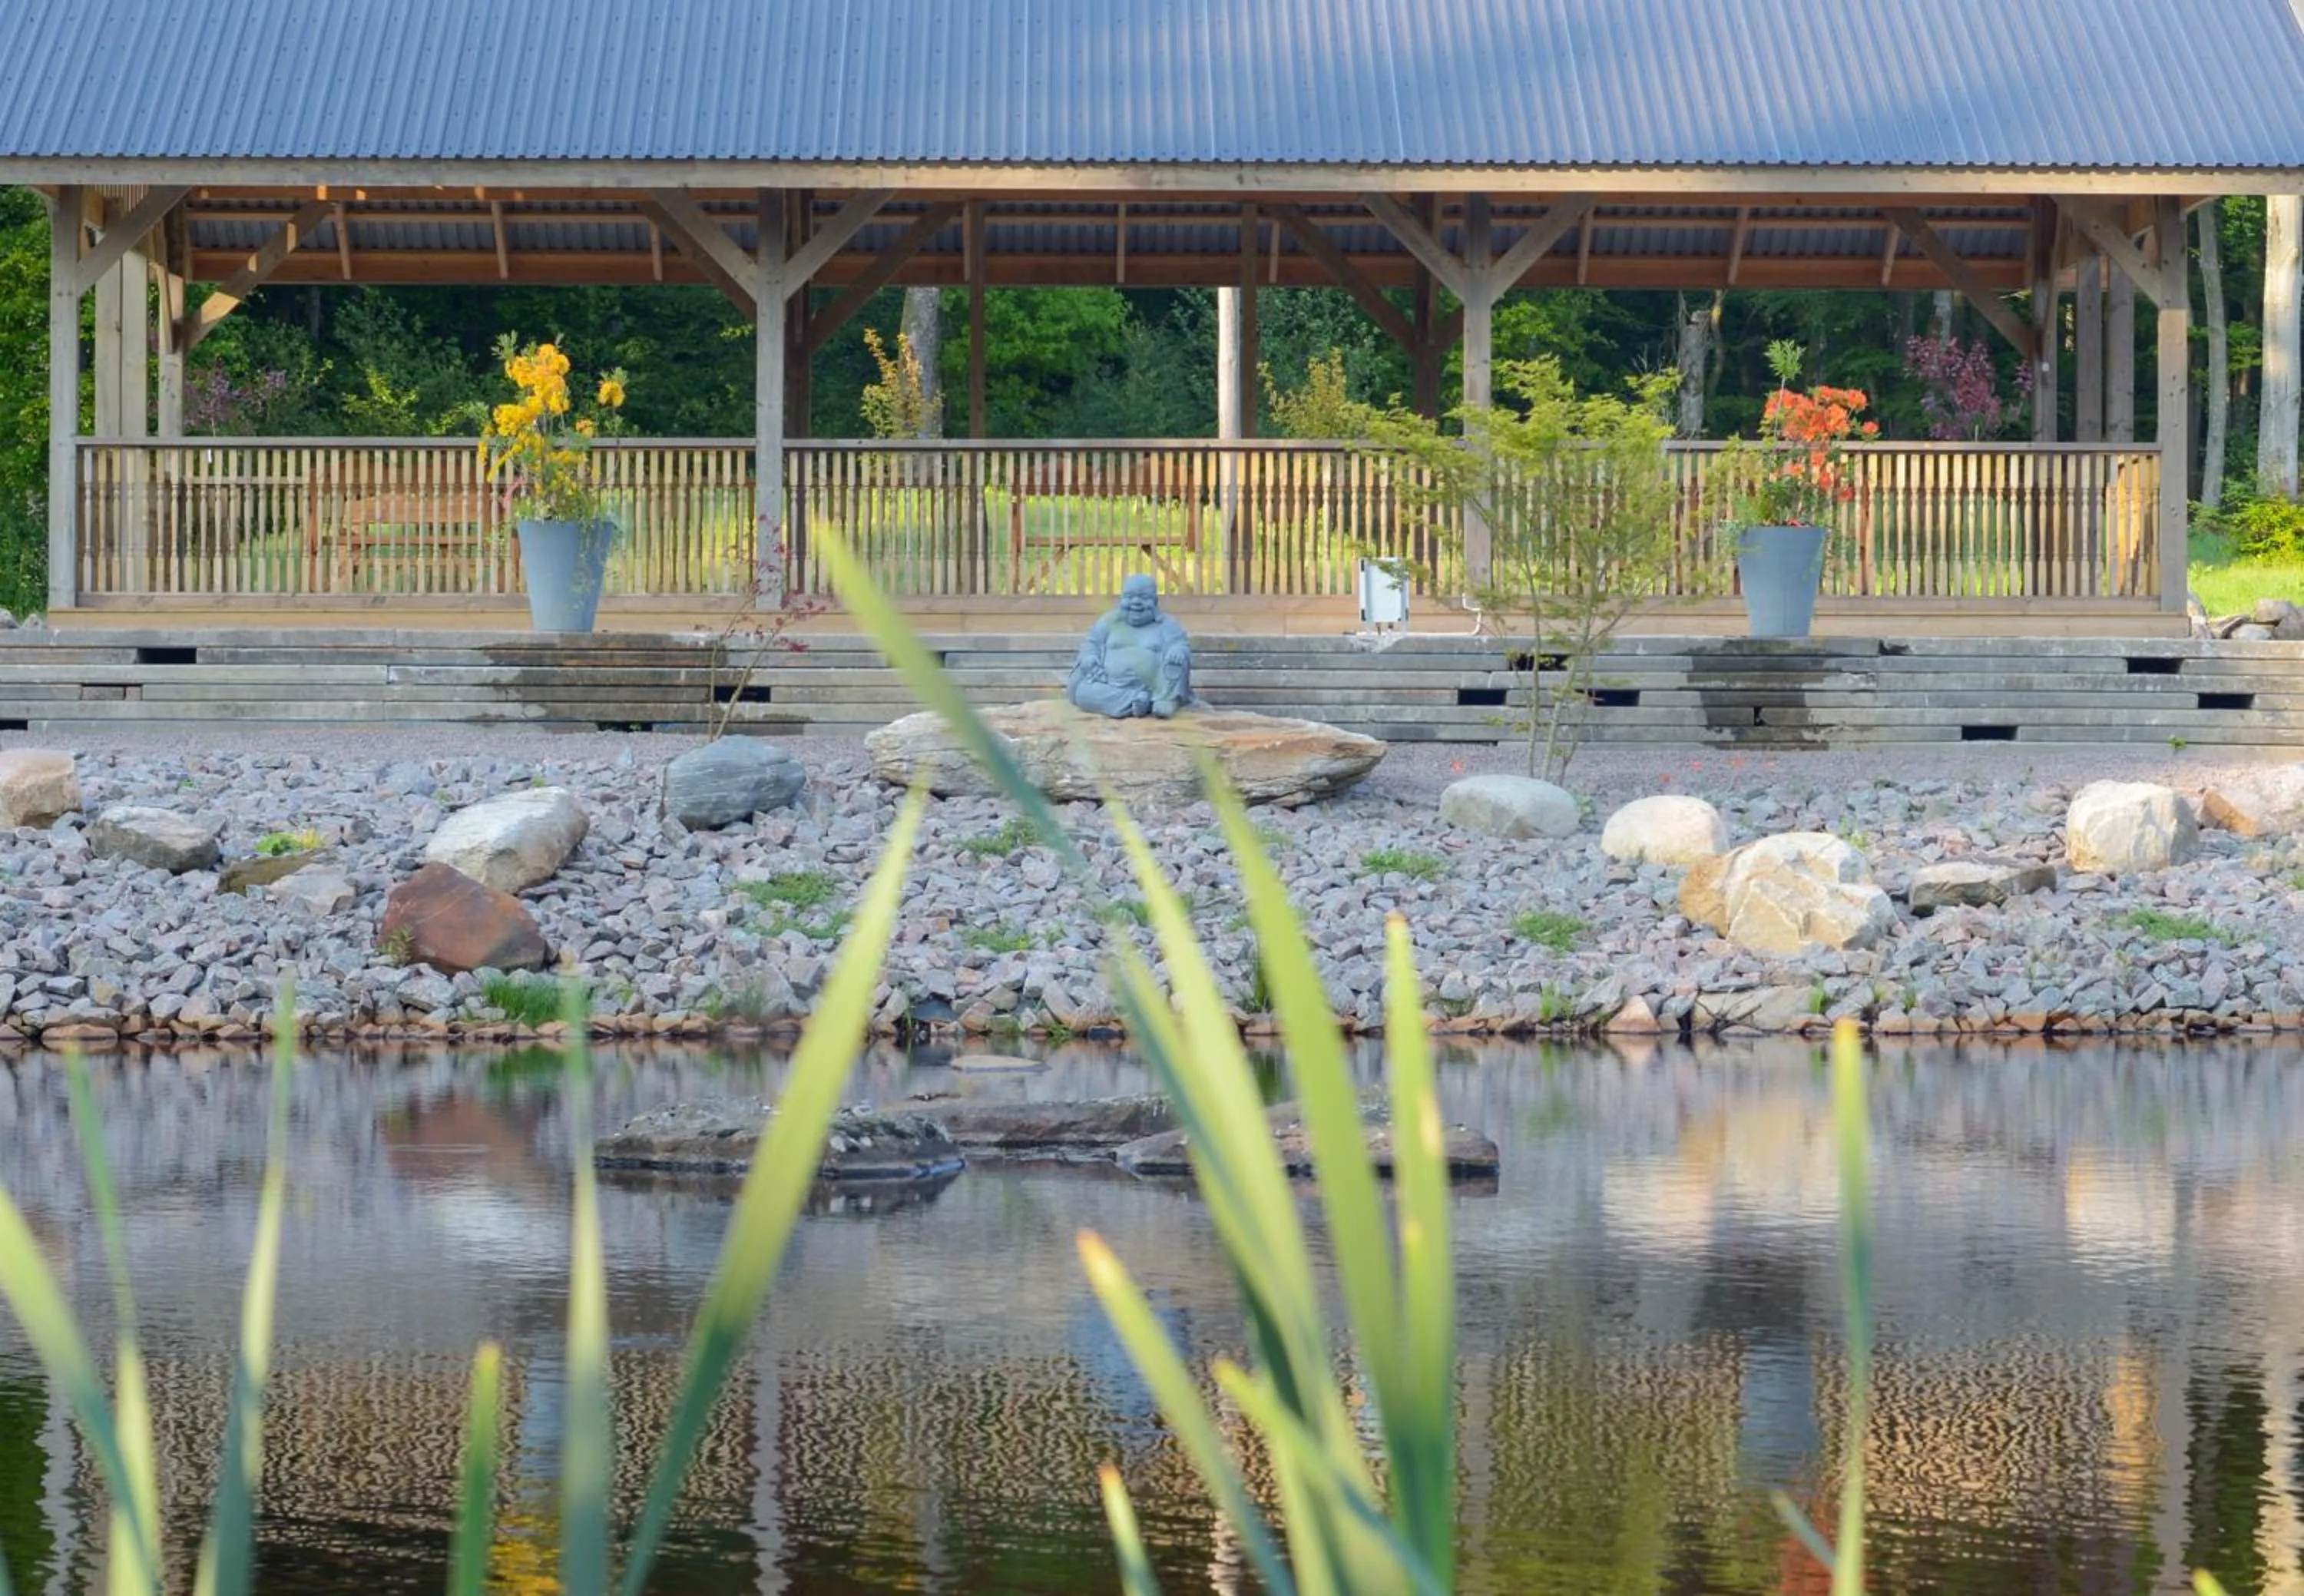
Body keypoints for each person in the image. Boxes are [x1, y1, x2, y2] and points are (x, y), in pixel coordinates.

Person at [1065, 574, 1200, 719]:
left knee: (1178, 659)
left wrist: (1177, 651)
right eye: (1129, 597)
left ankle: (1164, 700)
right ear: (1121, 599)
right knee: (1082, 693)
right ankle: (1140, 701)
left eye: (1143, 597)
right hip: (1109, 685)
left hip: (1156, 687)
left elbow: (1180, 644)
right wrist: (1090, 657)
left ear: (1155, 602)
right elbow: (1092, 643)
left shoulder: (1167, 625)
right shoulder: (1109, 621)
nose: (1136, 602)